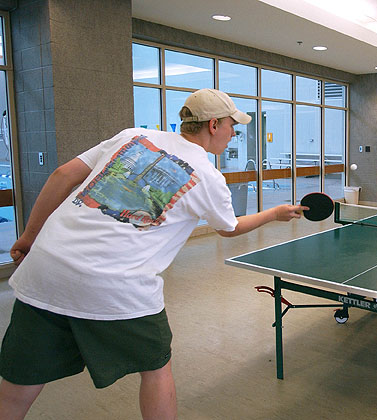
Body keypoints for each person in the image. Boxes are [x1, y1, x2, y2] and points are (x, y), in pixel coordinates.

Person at [0, 88, 307, 420]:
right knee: (156, 368)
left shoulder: (133, 136)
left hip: (45, 267)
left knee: (20, 380)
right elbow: (228, 227)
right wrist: (274, 214)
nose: (234, 134)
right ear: (214, 124)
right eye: (233, 125)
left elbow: (62, 175)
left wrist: (30, 237)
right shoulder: (207, 176)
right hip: (118, 282)